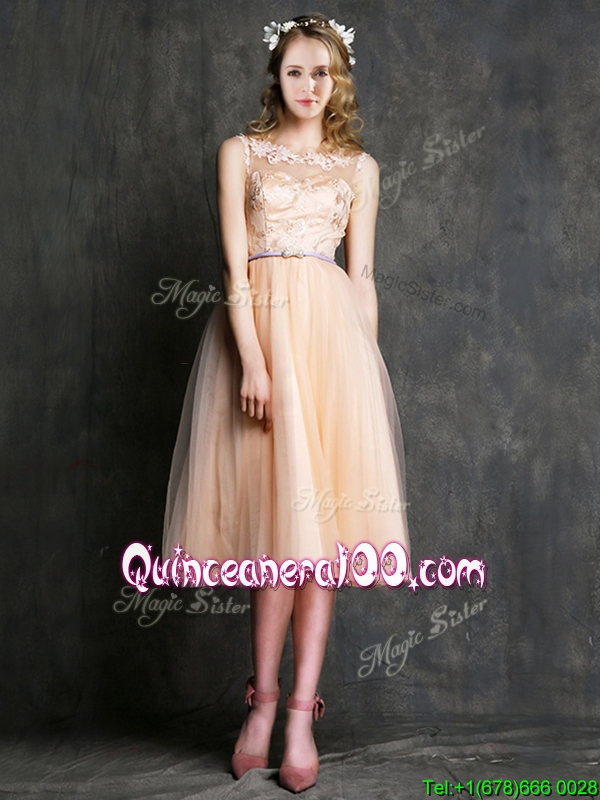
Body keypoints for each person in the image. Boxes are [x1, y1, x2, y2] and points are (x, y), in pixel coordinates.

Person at [162, 13, 410, 793]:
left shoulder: (359, 168)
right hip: (263, 341)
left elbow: (362, 277)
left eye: (322, 72)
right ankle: (261, 704)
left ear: (339, 81)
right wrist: (252, 359)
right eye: (296, 70)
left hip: (333, 352)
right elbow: (233, 268)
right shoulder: (241, 153)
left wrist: (365, 374)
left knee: (320, 543)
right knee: (277, 536)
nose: (309, 85)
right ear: (276, 76)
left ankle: (302, 714)